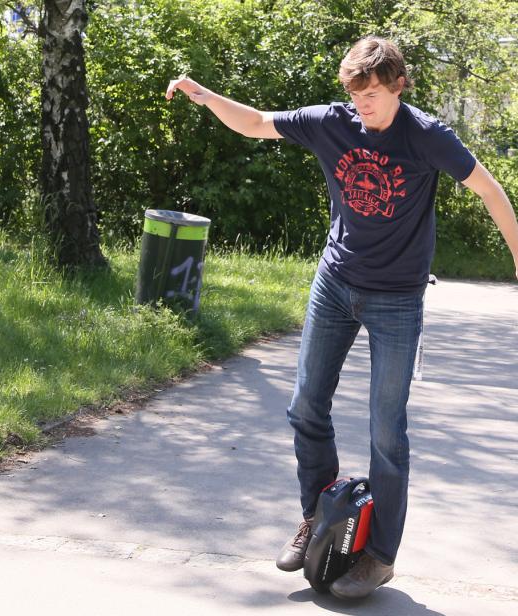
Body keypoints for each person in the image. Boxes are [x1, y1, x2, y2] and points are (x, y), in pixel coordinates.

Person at [166, 36, 518, 600]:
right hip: (335, 285)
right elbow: (256, 122)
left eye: (372, 94)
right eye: (354, 95)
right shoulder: (333, 122)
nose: (363, 106)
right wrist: (205, 95)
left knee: (386, 429)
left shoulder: (426, 136)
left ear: (398, 85)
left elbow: (489, 190)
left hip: (398, 298)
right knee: (306, 405)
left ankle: (378, 557)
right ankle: (318, 518)